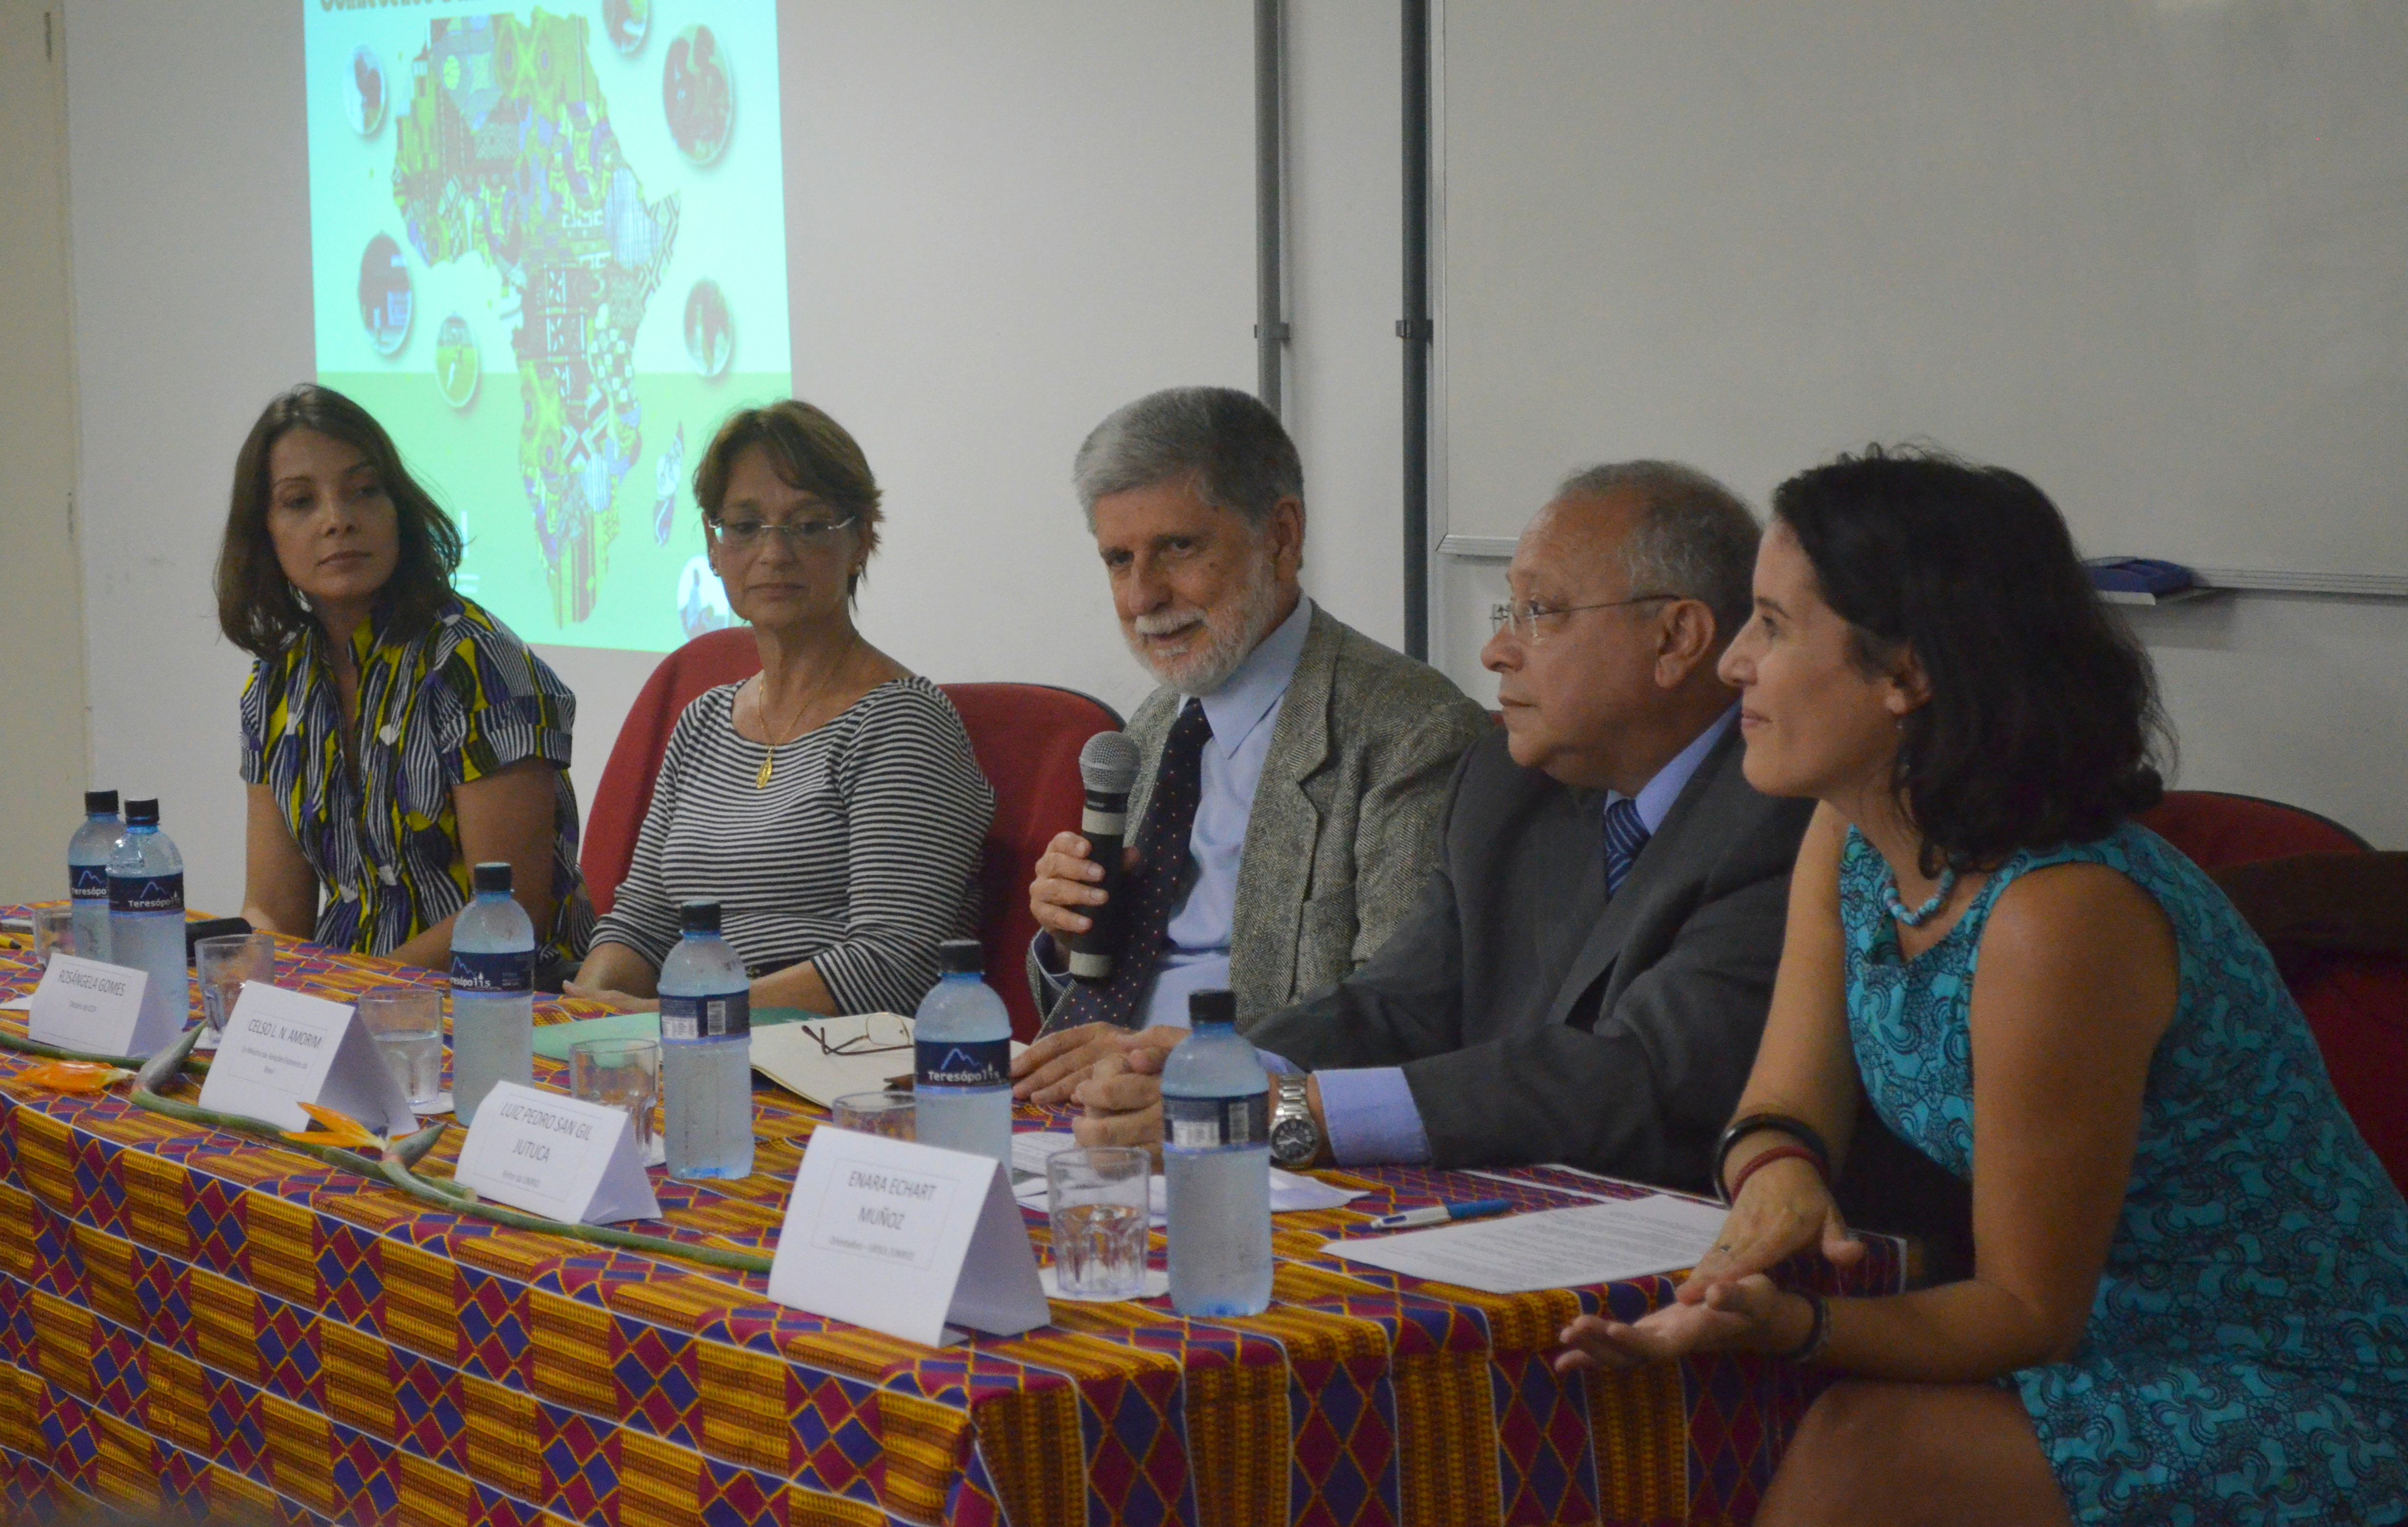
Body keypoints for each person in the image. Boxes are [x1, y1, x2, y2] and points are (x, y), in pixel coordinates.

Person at [1553, 448, 2408, 1524]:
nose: (1732, 664)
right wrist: (1775, 1171)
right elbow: (1783, 1102)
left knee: (1863, 1448)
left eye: (1771, 625)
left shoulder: (2060, 918)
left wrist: (1793, 1327)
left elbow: (2025, 1312)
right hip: (2097, 1352)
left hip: (2290, 1381)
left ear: (1904, 674)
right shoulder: (1851, 831)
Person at [1070, 463, 1820, 1195]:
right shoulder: (1509, 784)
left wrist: (1293, 1113)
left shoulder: (1784, 815)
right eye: (1507, 612)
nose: (1497, 650)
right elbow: (1399, 1002)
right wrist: (1232, 1066)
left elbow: (1641, 1075)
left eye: (1541, 611)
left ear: (1675, 638)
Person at [1010, 386, 1488, 1097]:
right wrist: (1071, 939)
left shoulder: (1411, 731)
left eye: (1178, 547)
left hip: (1248, 1124)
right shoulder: (1146, 731)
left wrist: (1207, 1063)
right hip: (1096, 1102)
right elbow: (1099, 997)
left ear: (1283, 537)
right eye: (1118, 559)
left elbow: (1400, 1015)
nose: (1143, 597)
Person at [568, 401, 993, 1016]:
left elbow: (893, 964)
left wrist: (687, 1017)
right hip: (689, 1042)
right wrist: (588, 1009)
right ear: (714, 549)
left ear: (861, 541)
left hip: (823, 1064)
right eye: (743, 526)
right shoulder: (703, 720)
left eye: (809, 525)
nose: (774, 553)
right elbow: (644, 919)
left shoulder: (901, 724)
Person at [222, 384, 594, 977]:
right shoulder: (275, 685)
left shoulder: (474, 662)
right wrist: (241, 974)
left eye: (364, 492)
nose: (338, 521)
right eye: (300, 502)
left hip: (496, 998)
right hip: (347, 995)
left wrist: (349, 991)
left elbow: (508, 912)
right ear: (262, 533)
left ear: (399, 508)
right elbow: (273, 909)